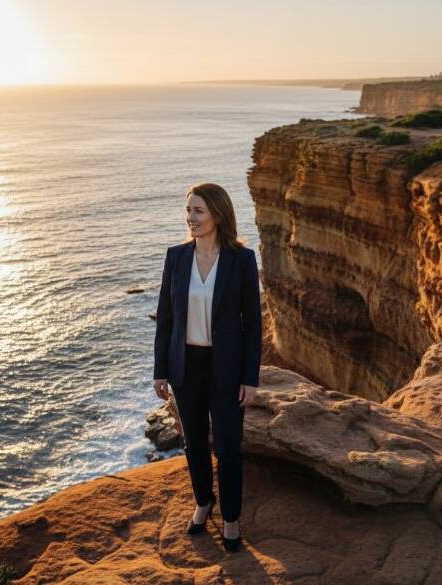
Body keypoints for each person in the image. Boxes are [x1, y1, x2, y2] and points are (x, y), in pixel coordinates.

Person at [153, 182, 262, 553]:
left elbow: (253, 324)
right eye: (189, 211)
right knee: (194, 442)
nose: (191, 218)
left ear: (217, 213)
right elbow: (166, 318)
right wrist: (160, 370)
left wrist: (250, 377)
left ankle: (231, 518)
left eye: (198, 210)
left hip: (226, 367)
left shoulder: (241, 260)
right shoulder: (176, 257)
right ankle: (204, 503)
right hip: (186, 365)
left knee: (229, 446)